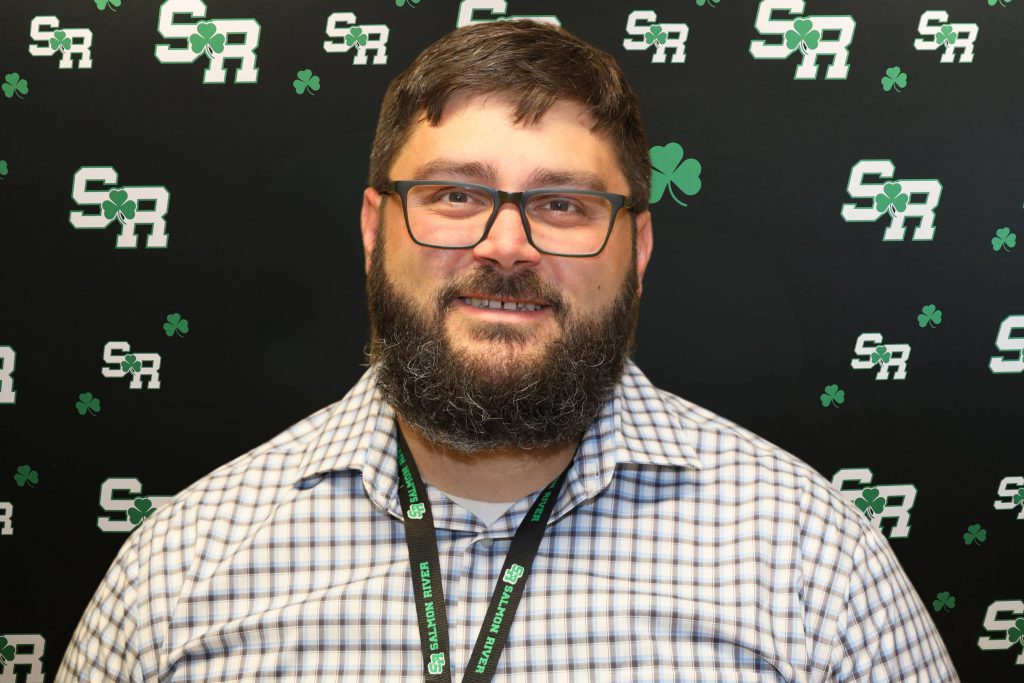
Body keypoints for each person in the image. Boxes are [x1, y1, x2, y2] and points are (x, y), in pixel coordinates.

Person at [57, 20, 958, 682]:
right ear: (376, 230)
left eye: (563, 204)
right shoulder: (178, 569)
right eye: (455, 193)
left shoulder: (814, 559)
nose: (506, 245)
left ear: (636, 252)